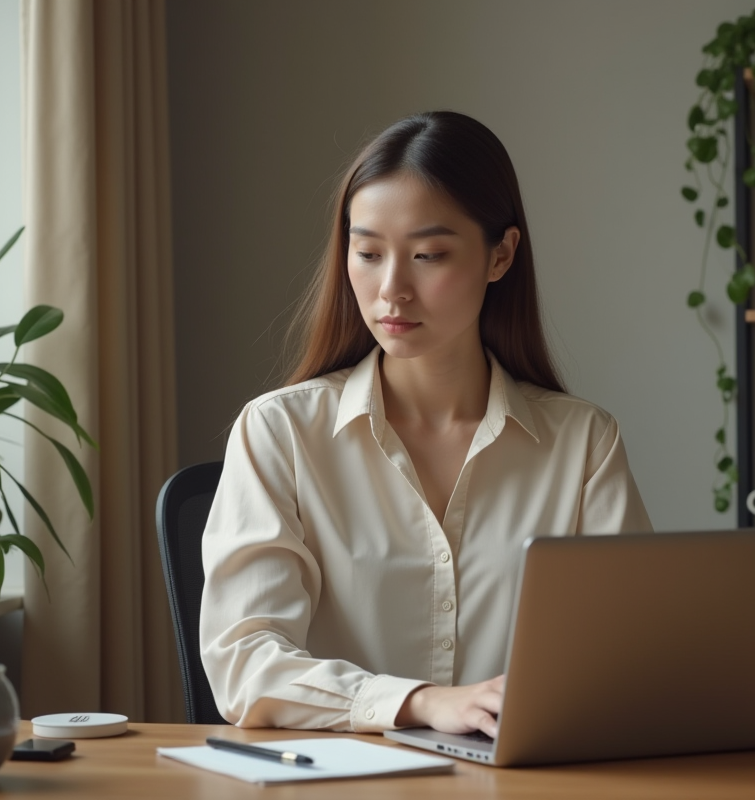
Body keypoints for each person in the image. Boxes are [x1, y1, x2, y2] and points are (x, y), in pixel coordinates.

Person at [200, 111, 652, 738]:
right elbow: (244, 662)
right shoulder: (279, 432)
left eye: (428, 255)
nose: (392, 289)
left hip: (519, 777)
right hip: (337, 779)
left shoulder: (583, 444)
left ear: (501, 255)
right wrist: (422, 702)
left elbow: (629, 653)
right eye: (367, 253)